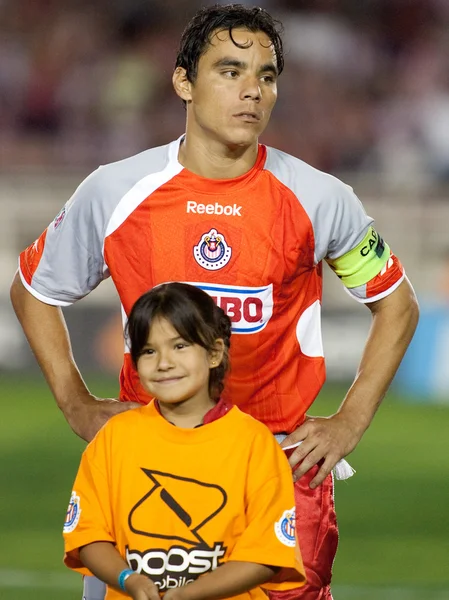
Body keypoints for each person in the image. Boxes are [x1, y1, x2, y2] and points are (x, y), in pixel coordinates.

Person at [10, 4, 419, 599]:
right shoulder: (115, 191)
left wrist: (350, 421)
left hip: (279, 466)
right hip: (148, 462)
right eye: (230, 71)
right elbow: (33, 290)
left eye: (267, 75)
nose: (252, 90)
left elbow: (397, 303)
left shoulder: (321, 198)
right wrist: (76, 404)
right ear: (183, 82)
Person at [63, 282, 305, 600]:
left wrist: (190, 593)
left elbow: (268, 555)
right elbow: (88, 535)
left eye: (179, 346)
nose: (164, 362)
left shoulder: (254, 444)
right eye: (149, 351)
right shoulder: (113, 438)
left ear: (215, 353)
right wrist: (128, 579)